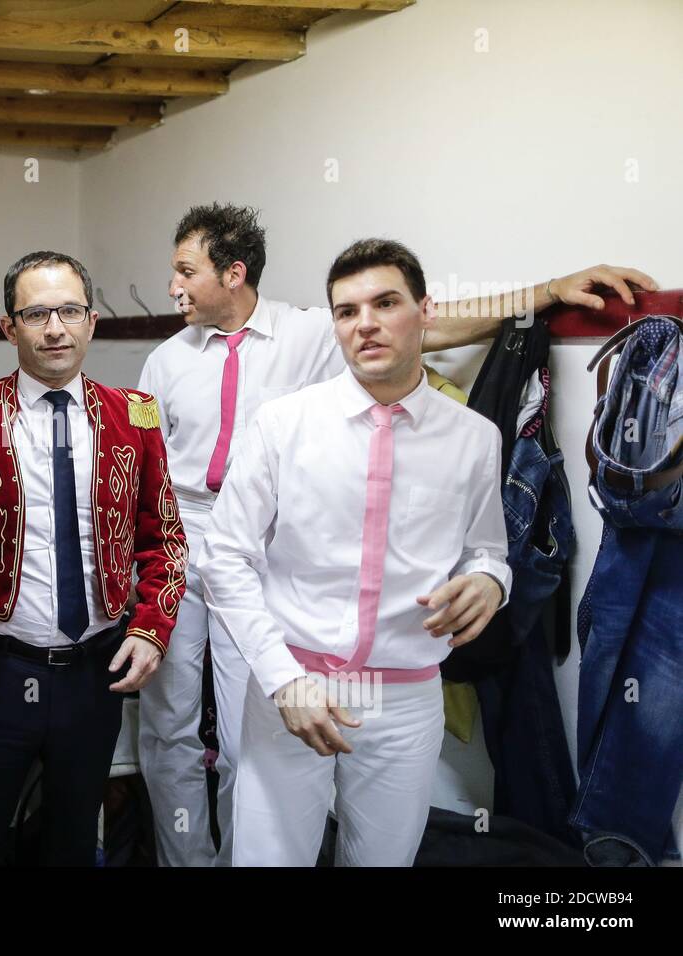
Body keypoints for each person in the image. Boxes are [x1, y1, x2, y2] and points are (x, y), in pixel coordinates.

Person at [137, 201, 660, 866]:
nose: (173, 286)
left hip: (291, 570)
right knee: (171, 724)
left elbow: (436, 333)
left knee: (250, 753)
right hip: (188, 538)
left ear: (233, 273)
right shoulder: (166, 362)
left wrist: (551, 291)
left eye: (186, 270)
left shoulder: (315, 337)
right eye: (351, 312)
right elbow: (150, 468)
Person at [195, 238, 515, 865]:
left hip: (405, 699)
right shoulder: (285, 425)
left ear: (425, 311)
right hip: (292, 687)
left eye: (385, 303)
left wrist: (489, 582)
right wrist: (283, 679)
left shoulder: (475, 438)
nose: (364, 323)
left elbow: (486, 549)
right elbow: (223, 556)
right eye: (346, 311)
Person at [0, 251, 187, 865]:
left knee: (71, 841)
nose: (54, 328)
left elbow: (163, 538)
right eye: (36, 313)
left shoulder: (133, 419)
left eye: (69, 311)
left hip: (96, 672)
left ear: (92, 321)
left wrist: (151, 629)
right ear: (9, 328)